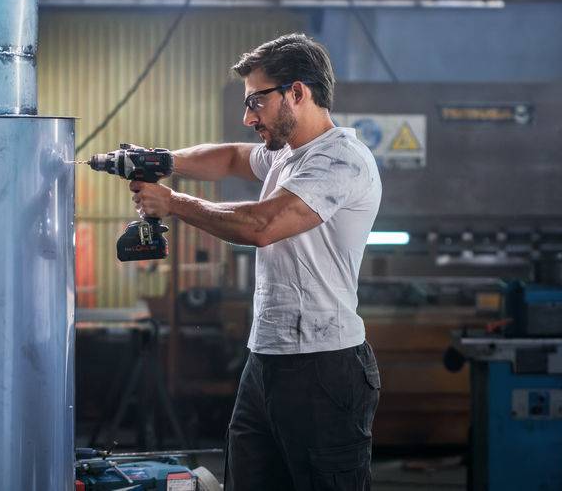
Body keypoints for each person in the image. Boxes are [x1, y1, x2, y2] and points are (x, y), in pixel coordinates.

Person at [129, 33, 382, 490]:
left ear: (297, 93)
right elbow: (228, 158)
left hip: (323, 365)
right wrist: (160, 159)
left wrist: (174, 203)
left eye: (256, 102)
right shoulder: (286, 155)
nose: (248, 117)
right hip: (267, 358)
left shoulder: (340, 160)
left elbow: (261, 226)